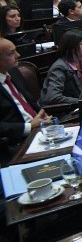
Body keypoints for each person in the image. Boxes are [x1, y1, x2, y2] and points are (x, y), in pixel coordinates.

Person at [0, 37, 49, 166]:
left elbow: (29, 100)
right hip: (15, 143)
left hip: (39, 130)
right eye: (11, 53)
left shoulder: (13, 71)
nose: (18, 55)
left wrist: (43, 115)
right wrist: (29, 126)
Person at [39, 30, 82, 107]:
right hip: (62, 111)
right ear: (70, 47)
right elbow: (53, 97)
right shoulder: (59, 67)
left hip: (79, 106)